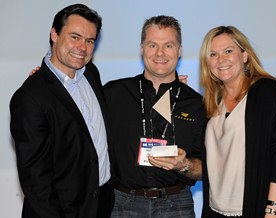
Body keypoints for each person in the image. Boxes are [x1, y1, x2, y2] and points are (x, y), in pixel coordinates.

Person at [10, 4, 113, 218]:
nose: (82, 48)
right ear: (54, 34)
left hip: (101, 206)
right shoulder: (30, 97)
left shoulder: (91, 73)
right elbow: (36, 182)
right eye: (75, 37)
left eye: (90, 40)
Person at [103, 15, 207, 218]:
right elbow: (75, 113)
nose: (160, 53)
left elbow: (207, 169)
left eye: (168, 45)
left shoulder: (196, 104)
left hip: (176, 206)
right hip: (122, 205)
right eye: (152, 45)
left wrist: (184, 165)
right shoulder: (113, 93)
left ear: (179, 50)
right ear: (142, 48)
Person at [199, 26, 276, 217]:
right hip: (215, 211)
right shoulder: (211, 104)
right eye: (213, 54)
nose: (221, 59)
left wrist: (273, 210)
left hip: (259, 209)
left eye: (228, 51)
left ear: (244, 55)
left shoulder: (267, 92)